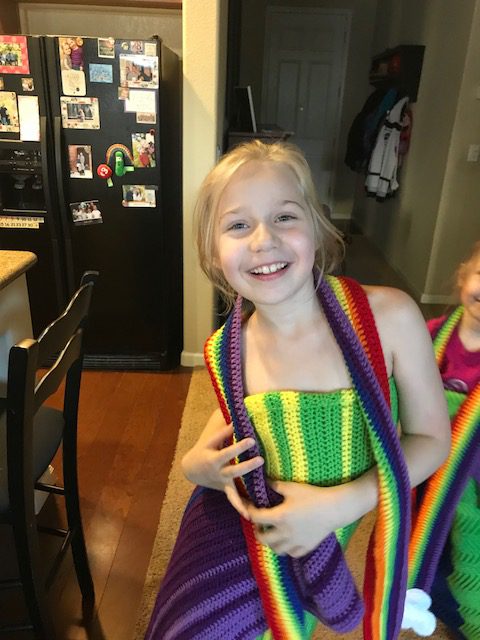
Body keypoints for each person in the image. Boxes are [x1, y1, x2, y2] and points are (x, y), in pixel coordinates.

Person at [144, 141, 450, 640]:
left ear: (317, 226)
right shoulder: (226, 350)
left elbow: (432, 439)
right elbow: (235, 423)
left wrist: (344, 504)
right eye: (237, 225)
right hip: (229, 524)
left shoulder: (387, 319)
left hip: (306, 541)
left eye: (284, 217)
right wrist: (194, 465)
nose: (263, 240)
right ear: (213, 252)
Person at [407, 242, 480, 639]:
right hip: (427, 469)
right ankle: (426, 596)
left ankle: (465, 618)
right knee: (422, 541)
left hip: (473, 481)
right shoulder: (433, 334)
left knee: (466, 555)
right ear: (464, 276)